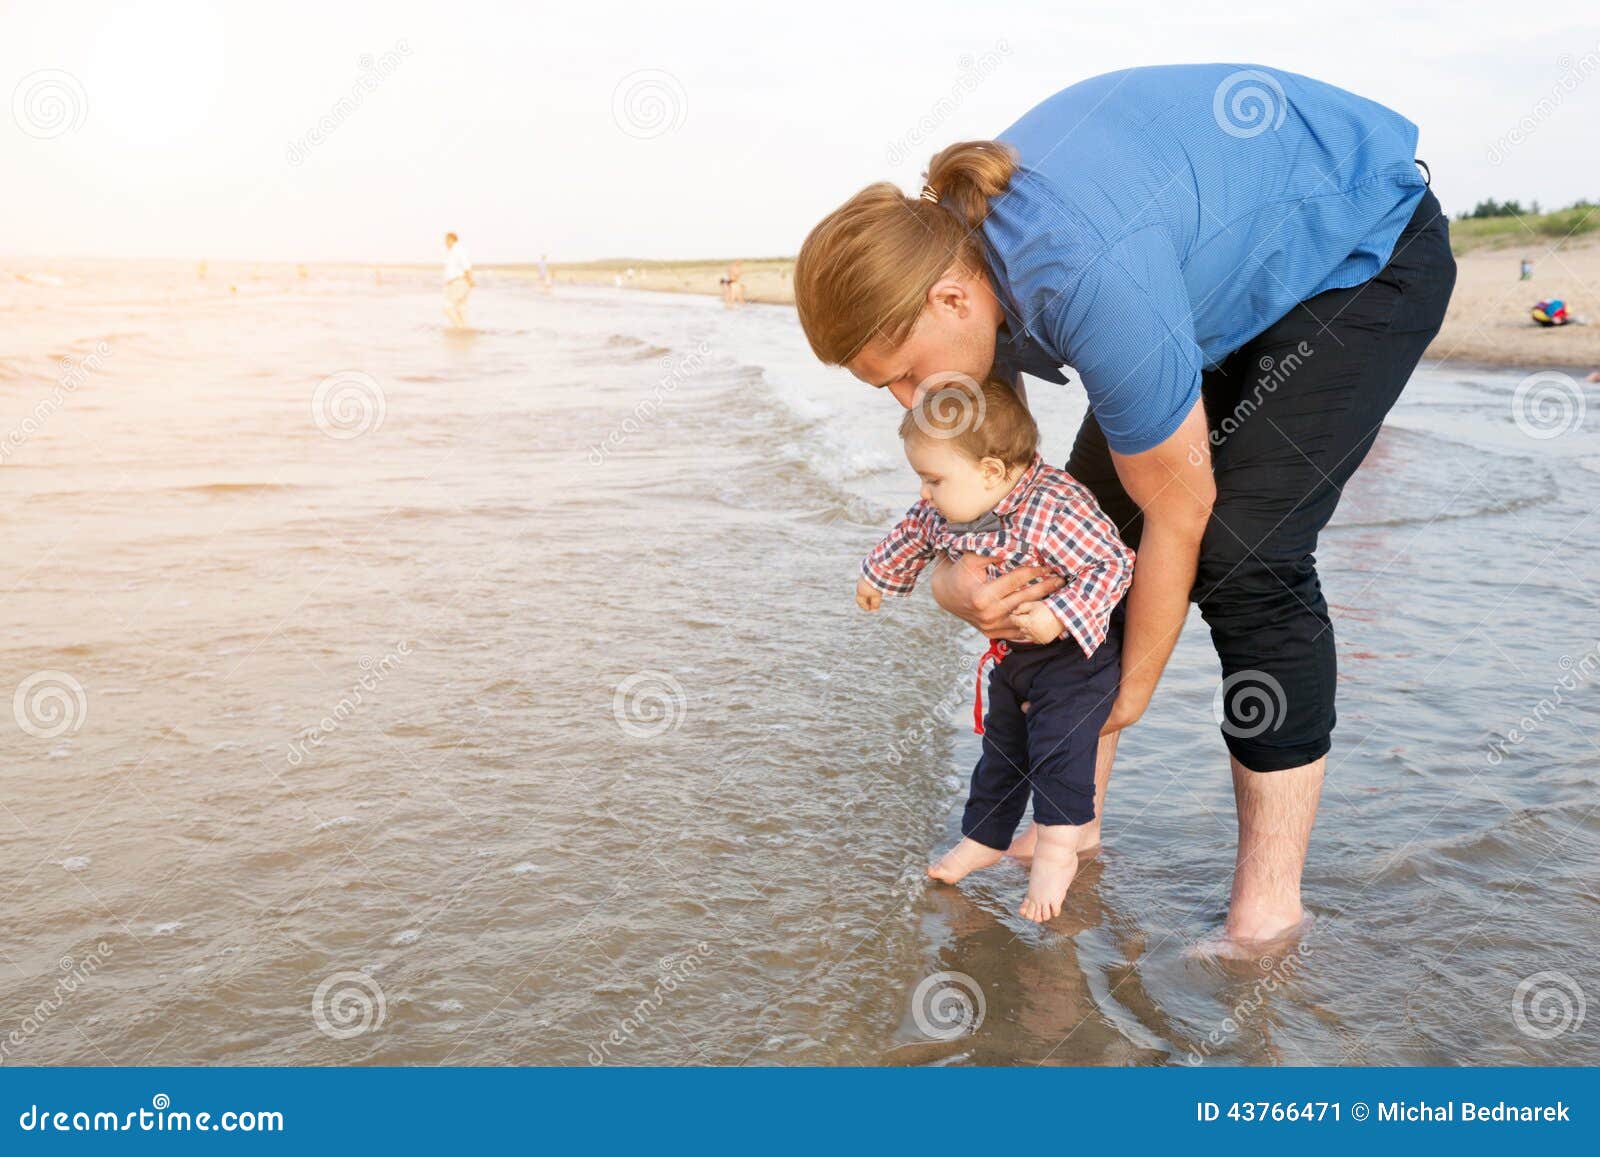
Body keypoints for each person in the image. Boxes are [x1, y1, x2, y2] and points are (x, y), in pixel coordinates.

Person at [795, 64, 1457, 944]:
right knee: (1084, 529)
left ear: (950, 297)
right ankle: (1077, 821)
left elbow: (1180, 509)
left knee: (1245, 556)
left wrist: (1127, 694)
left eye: (909, 371)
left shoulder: (1078, 274)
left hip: (1358, 246)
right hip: (1197, 276)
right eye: (887, 387)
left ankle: (1268, 914)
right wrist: (959, 583)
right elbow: (1004, 488)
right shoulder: (956, 259)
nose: (910, 398)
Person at [857, 378, 1133, 922]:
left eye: (933, 479)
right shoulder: (952, 503)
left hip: (1076, 657)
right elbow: (914, 533)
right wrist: (878, 577)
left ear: (990, 472)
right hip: (1013, 657)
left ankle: (1057, 853)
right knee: (1001, 752)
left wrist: (1059, 614)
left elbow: (1114, 564)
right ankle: (983, 840)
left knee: (1059, 751)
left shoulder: (1056, 507)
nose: (924, 493)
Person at [442, 232, 473, 327]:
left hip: (459, 282)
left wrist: (470, 280)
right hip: (459, 282)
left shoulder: (458, 250)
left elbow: (466, 266)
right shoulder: (454, 251)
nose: (445, 243)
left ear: (451, 239)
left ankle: (460, 328)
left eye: (446, 241)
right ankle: (465, 330)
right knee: (461, 308)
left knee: (448, 307)